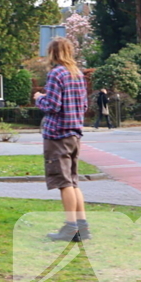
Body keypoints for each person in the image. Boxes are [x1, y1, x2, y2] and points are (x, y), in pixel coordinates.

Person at [34, 37, 90, 242]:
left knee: (64, 183)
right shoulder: (78, 74)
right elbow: (84, 106)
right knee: (73, 181)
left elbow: (53, 105)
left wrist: (39, 98)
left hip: (57, 135)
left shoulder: (56, 74)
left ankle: (70, 227)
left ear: (53, 53)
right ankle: (82, 226)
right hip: (74, 133)